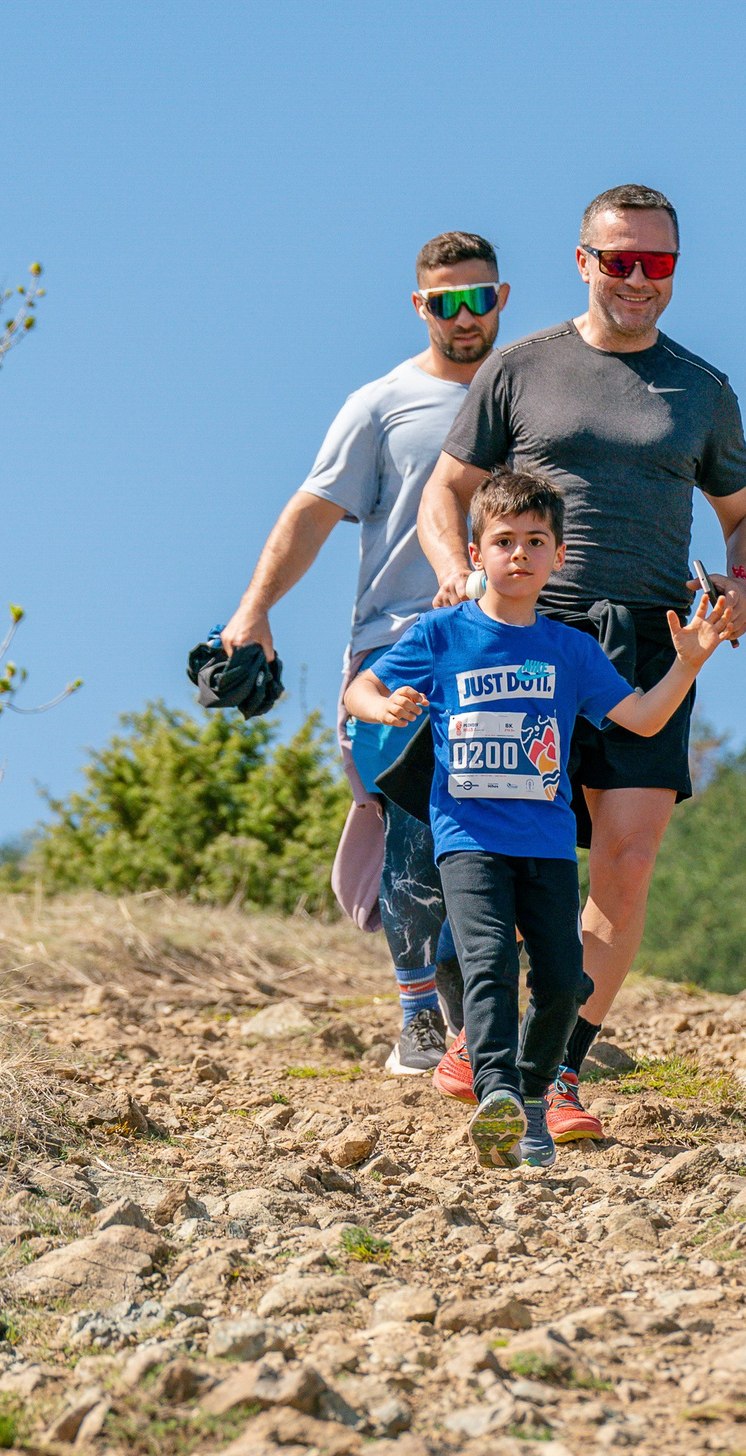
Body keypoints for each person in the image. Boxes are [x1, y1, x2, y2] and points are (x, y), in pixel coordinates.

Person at [415, 183, 746, 1140]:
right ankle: (476, 1032)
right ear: (584, 262)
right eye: (619, 260)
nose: (637, 279)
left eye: (656, 263)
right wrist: (457, 574)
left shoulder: (703, 389)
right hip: (533, 632)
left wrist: (744, 592)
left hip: (651, 639)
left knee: (625, 861)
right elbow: (444, 493)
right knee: (496, 851)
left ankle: (558, 1069)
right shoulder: (522, 368)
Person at [344, 469, 730, 1168]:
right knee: (490, 962)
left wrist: (688, 665)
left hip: (548, 846)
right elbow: (360, 689)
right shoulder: (442, 636)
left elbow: (641, 720)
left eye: (535, 541)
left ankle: (525, 1096)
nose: (518, 554)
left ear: (557, 556)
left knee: (560, 981)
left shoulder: (571, 650)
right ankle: (495, 1089)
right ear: (475, 553)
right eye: (503, 541)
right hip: (467, 840)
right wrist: (384, 708)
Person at [221, 231, 511, 1073]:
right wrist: (252, 613)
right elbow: (312, 513)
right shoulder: (382, 405)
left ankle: (483, 1032)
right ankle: (420, 1015)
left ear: (502, 297)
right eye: (445, 302)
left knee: (502, 839)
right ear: (421, 307)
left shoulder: (532, 395)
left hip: (507, 650)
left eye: (480, 297)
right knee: (416, 831)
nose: (465, 316)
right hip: (400, 651)